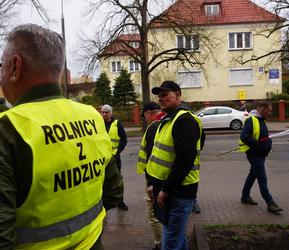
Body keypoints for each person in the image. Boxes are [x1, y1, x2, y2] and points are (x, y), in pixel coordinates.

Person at [0, 24, 123, 249]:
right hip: (93, 242)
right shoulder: (93, 117)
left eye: (2, 66)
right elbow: (114, 192)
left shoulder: (7, 129)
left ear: (15, 66)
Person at [146, 81, 205, 250]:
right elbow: (159, 156)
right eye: (159, 96)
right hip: (167, 189)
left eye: (165, 95)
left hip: (179, 191)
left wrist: (166, 189)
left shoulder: (184, 120)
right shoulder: (168, 119)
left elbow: (185, 159)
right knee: (177, 237)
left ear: (178, 95)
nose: (161, 99)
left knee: (170, 241)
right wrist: (153, 185)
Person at [239, 101, 283, 214]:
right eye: (269, 110)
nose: (270, 113)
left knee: (252, 175)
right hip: (254, 155)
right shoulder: (251, 120)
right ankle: (270, 203)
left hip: (260, 154)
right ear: (262, 109)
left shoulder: (261, 120)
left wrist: (268, 142)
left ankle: (245, 196)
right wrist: (260, 146)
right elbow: (244, 137)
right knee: (262, 178)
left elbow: (262, 137)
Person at [137, 102, 165, 250]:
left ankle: (161, 244)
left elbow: (151, 158)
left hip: (155, 179)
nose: (145, 119)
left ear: (148, 112)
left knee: (154, 214)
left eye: (145, 116)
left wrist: (150, 183)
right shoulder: (166, 121)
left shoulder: (154, 126)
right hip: (164, 177)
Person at [101, 104, 129, 211]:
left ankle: (120, 202)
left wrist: (117, 152)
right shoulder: (99, 124)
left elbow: (124, 140)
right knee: (102, 180)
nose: (104, 114)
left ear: (111, 113)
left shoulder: (117, 124)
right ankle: (103, 202)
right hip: (102, 158)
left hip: (114, 158)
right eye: (103, 112)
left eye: (106, 112)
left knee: (117, 180)